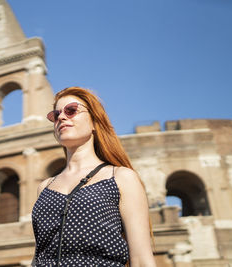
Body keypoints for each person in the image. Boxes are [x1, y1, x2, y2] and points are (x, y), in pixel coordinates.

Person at [31, 87, 156, 266]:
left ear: (94, 122)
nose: (61, 117)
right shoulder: (45, 187)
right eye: (56, 114)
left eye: (71, 110)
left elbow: (141, 259)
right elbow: (38, 257)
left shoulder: (121, 177)